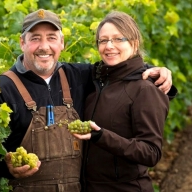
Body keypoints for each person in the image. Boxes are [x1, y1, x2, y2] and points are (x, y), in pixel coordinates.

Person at [0, 9, 176, 192]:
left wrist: (153, 70)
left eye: (52, 38)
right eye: (35, 38)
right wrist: (6, 168)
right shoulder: (1, 88)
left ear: (62, 42)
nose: (44, 46)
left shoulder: (78, 75)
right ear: (22, 43)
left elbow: (119, 69)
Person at [72, 11, 173, 192]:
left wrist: (101, 136)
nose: (109, 46)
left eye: (118, 39)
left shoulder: (145, 89)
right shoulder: (97, 81)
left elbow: (151, 152)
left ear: (134, 44)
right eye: (103, 40)